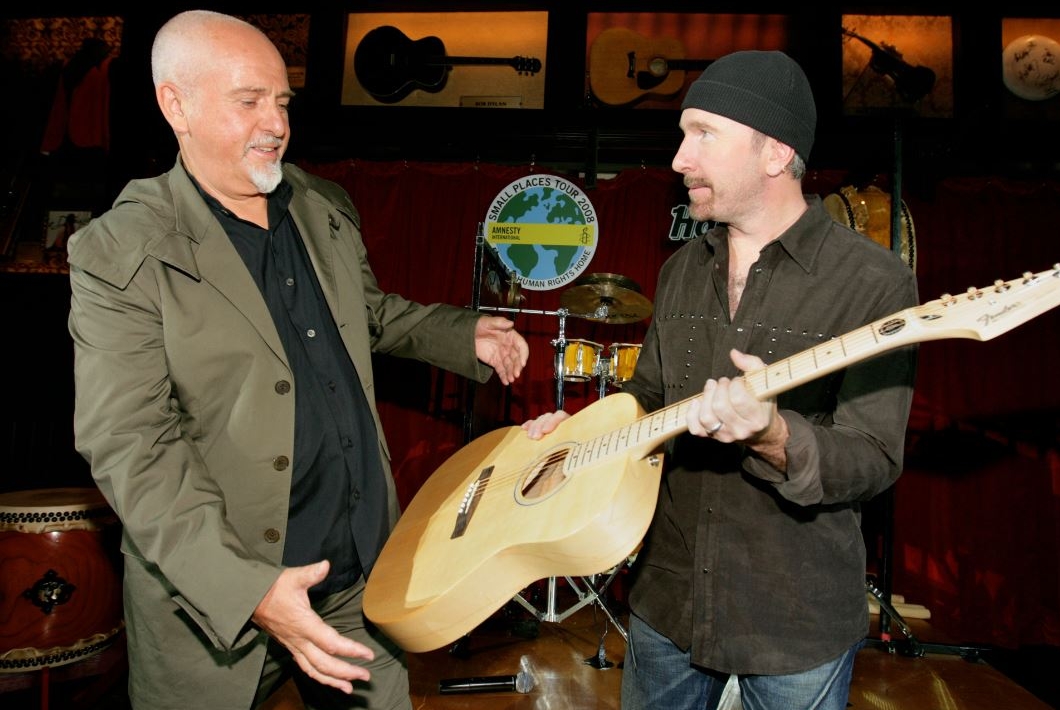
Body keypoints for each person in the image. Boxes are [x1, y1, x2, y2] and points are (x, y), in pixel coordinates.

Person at [67, 10, 528, 710]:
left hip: (355, 571)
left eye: (282, 102)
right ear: (175, 106)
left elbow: (363, 314)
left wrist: (461, 335)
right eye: (248, 101)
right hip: (216, 601)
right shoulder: (122, 251)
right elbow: (131, 443)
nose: (276, 124)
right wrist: (247, 589)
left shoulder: (320, 205)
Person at [523, 51, 918, 710]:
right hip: (667, 603)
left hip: (793, 621)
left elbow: (874, 456)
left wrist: (774, 435)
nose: (680, 159)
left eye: (704, 134)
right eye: (684, 135)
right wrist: (583, 435)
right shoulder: (681, 269)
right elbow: (649, 396)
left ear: (775, 153)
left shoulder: (875, 282)